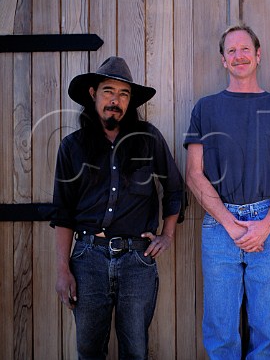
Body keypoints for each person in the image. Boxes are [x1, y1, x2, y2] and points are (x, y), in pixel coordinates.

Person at [51, 56, 185, 360]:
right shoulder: (72, 147)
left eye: (123, 94)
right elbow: (63, 212)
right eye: (109, 91)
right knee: (88, 349)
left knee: (136, 350)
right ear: (93, 94)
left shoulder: (148, 138)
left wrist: (167, 235)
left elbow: (175, 187)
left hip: (137, 260)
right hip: (88, 259)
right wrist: (62, 270)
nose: (116, 101)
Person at [184, 25, 270, 359]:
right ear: (223, 60)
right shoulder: (206, 108)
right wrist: (230, 223)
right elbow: (194, 175)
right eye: (231, 51)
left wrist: (265, 224)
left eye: (245, 49)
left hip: (268, 222)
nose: (239, 56)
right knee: (221, 331)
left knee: (266, 330)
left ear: (258, 54)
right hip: (219, 226)